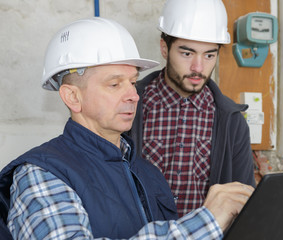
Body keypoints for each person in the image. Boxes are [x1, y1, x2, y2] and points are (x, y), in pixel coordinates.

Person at [0, 17, 254, 239]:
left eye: (132, 82)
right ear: (72, 97)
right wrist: (205, 222)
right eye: (115, 84)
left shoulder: (147, 174)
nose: (133, 95)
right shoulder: (41, 174)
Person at [127, 0, 256, 217]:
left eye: (209, 55)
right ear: (164, 48)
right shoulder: (129, 106)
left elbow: (243, 203)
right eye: (187, 53)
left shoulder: (232, 122)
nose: (198, 67)